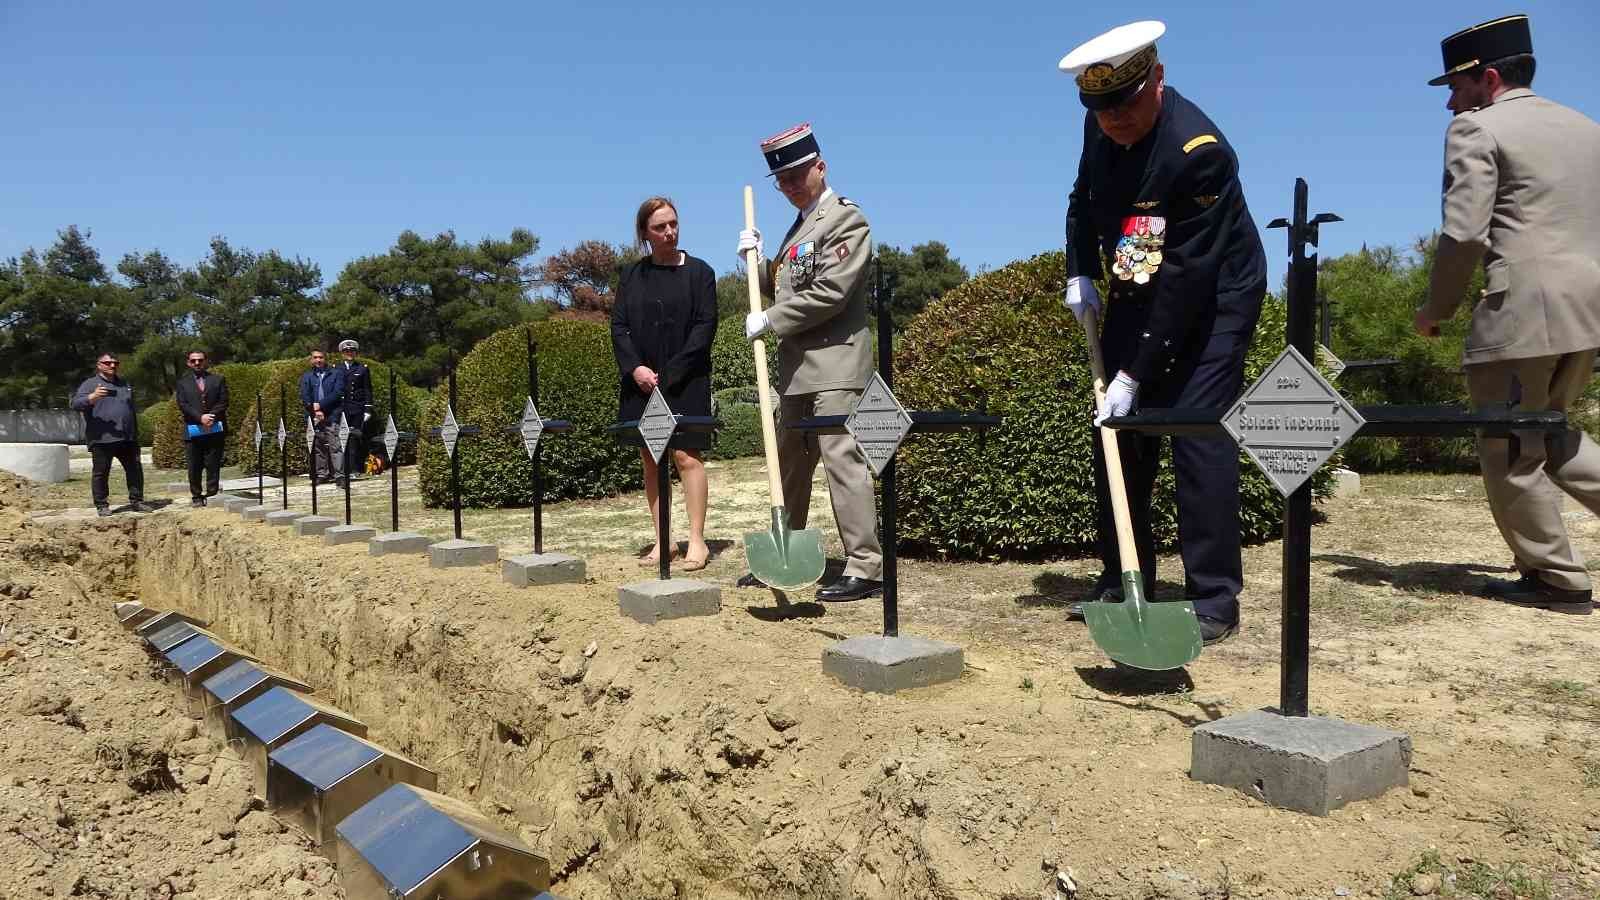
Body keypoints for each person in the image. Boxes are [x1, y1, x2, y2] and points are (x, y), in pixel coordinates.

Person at [1056, 21, 1268, 645]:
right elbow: (1081, 199)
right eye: (1099, 109)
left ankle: (1212, 596)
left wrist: (1136, 371)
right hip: (1136, 274)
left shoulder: (1198, 152)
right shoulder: (1102, 129)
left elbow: (1185, 278)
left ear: (1158, 79)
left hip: (1215, 294)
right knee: (1118, 431)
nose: (1113, 120)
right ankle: (1125, 575)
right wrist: (1080, 272)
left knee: (1197, 428)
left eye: (1124, 104)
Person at [1414, 14, 1600, 616]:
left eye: (1456, 86)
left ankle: (1557, 579)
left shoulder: (1476, 130)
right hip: (1588, 310)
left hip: (1522, 313)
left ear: (1488, 78)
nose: (1450, 100)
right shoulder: (1585, 127)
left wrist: (1435, 308)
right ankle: (1550, 569)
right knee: (1550, 431)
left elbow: (1464, 233)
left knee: (1511, 451)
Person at [736, 123, 883, 602]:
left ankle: (864, 565)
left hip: (837, 365)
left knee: (844, 462)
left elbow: (832, 292)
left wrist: (771, 320)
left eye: (799, 174)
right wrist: (755, 263)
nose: (792, 185)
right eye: (783, 180)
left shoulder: (846, 220)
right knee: (790, 466)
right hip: (797, 370)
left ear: (821, 166)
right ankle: (786, 554)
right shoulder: (797, 229)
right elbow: (788, 283)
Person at [611, 197, 718, 570]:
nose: (670, 232)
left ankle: (697, 542)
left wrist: (670, 374)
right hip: (640, 383)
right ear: (645, 233)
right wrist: (636, 369)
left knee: (687, 456)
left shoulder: (701, 273)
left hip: (685, 380)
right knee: (651, 458)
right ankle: (662, 541)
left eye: (673, 223)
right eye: (660, 227)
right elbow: (619, 326)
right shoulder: (630, 276)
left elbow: (705, 328)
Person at [70, 352, 150, 516]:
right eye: (107, 363)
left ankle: (137, 501)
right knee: (101, 472)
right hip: (102, 439)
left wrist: (135, 433)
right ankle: (102, 505)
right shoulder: (90, 384)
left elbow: (130, 409)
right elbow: (75, 404)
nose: (112, 366)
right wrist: (92, 397)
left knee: (135, 470)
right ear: (99, 365)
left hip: (127, 438)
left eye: (115, 363)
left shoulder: (125, 384)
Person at [174, 349, 229, 507]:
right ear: (188, 363)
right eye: (193, 360)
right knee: (194, 465)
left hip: (214, 427)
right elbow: (183, 404)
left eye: (200, 360)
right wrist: (200, 418)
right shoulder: (182, 383)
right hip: (193, 429)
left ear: (206, 361)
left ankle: (212, 494)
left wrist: (210, 416)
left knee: (213, 464)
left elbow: (224, 401)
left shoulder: (218, 379)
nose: (197, 363)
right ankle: (196, 496)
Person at [298, 348, 346, 485]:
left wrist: (321, 406)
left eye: (321, 357)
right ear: (311, 360)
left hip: (332, 414)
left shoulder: (336, 373)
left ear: (325, 359)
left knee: (335, 446)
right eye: (315, 357)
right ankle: (322, 474)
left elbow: (337, 393)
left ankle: (339, 476)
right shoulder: (307, 376)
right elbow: (305, 395)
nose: (318, 360)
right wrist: (315, 410)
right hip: (314, 416)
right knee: (318, 447)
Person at [336, 339, 373, 487]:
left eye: (351, 351)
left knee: (355, 439)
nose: (349, 354)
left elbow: (368, 389)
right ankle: (343, 469)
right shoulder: (336, 368)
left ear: (355, 353)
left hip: (357, 408)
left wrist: (368, 408)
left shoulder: (362, 368)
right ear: (342, 353)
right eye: (346, 352)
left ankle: (354, 468)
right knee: (342, 438)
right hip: (342, 409)